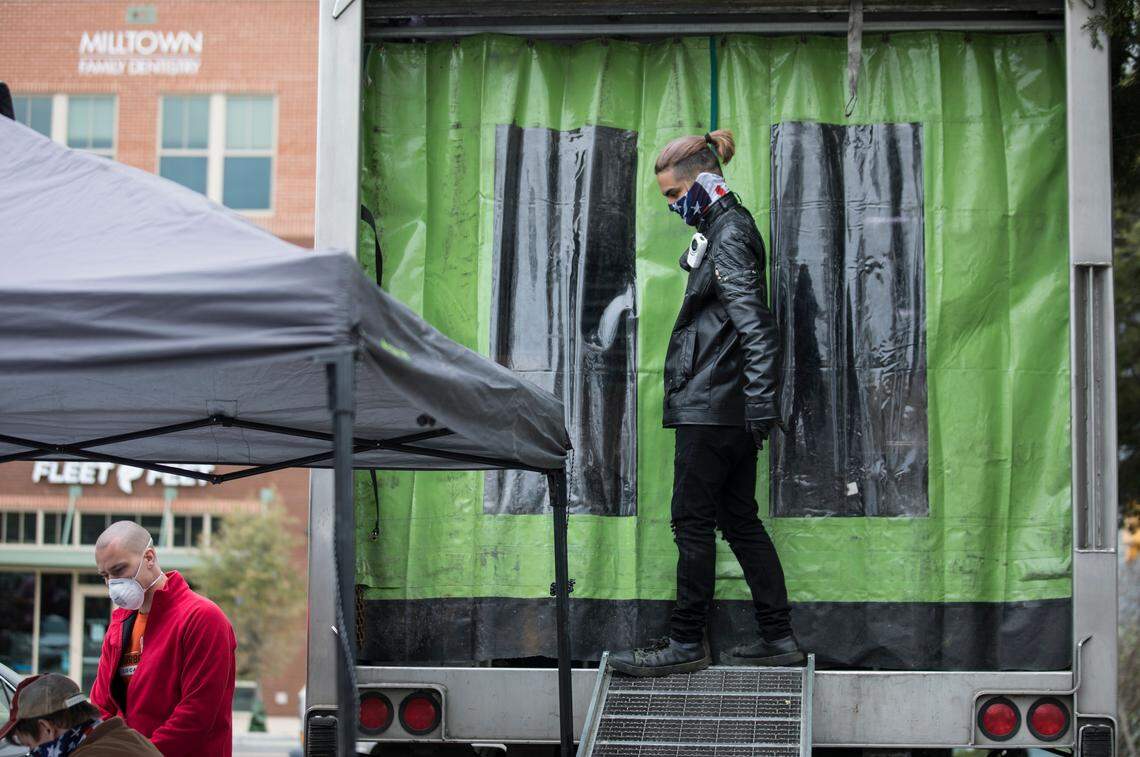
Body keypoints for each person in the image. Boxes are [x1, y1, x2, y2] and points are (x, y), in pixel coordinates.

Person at [609, 130, 803, 677]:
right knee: (738, 519)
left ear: (702, 181)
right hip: (727, 405)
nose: (672, 206)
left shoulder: (729, 234)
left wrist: (760, 406)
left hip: (717, 409)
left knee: (691, 521)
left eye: (674, 194)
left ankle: (685, 642)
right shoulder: (722, 228)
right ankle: (778, 636)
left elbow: (756, 328)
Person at [89, 521, 237, 756]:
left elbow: (197, 714)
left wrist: (137, 754)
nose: (112, 584)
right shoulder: (120, 623)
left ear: (149, 558)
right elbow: (101, 706)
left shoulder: (202, 618)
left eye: (118, 570)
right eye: (104, 576)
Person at [1, 673, 161, 756]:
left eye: (31, 746)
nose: (33, 753)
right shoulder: (129, 738)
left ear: (46, 728)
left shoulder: (92, 753)